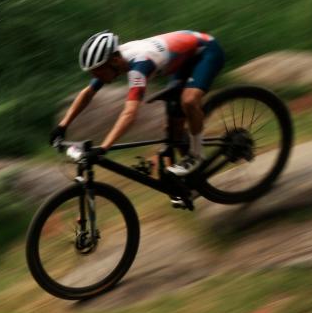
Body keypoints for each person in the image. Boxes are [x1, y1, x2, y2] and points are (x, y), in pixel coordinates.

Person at [51, 30, 225, 200]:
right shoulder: (114, 61)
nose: (96, 76)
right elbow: (88, 93)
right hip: (184, 60)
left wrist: (104, 147)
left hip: (206, 51)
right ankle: (191, 181)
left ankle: (196, 155)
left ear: (115, 60)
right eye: (93, 73)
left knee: (188, 101)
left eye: (98, 71)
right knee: (174, 130)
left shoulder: (139, 63)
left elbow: (130, 114)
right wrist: (62, 126)